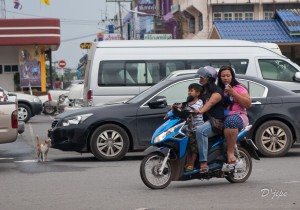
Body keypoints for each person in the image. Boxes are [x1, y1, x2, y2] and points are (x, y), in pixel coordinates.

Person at [217, 66, 251, 164]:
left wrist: (234, 93)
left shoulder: (239, 88)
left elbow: (248, 104)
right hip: (220, 117)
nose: (225, 78)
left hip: (238, 116)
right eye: (223, 76)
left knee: (231, 121)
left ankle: (230, 152)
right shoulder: (218, 89)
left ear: (232, 76)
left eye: (228, 75)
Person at [193, 66, 224, 173]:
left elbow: (209, 103)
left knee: (200, 131)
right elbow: (190, 102)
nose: (199, 79)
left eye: (202, 77)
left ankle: (203, 163)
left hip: (216, 122)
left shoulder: (217, 92)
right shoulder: (201, 91)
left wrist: (200, 111)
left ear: (209, 78)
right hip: (203, 121)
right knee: (182, 131)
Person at [183, 83, 204, 172]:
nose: (189, 92)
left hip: (197, 128)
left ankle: (192, 163)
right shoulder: (188, 103)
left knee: (194, 147)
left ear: (197, 93)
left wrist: (191, 110)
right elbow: (183, 109)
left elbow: (195, 110)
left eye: (191, 91)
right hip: (189, 128)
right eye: (188, 90)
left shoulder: (199, 102)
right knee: (187, 146)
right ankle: (187, 162)